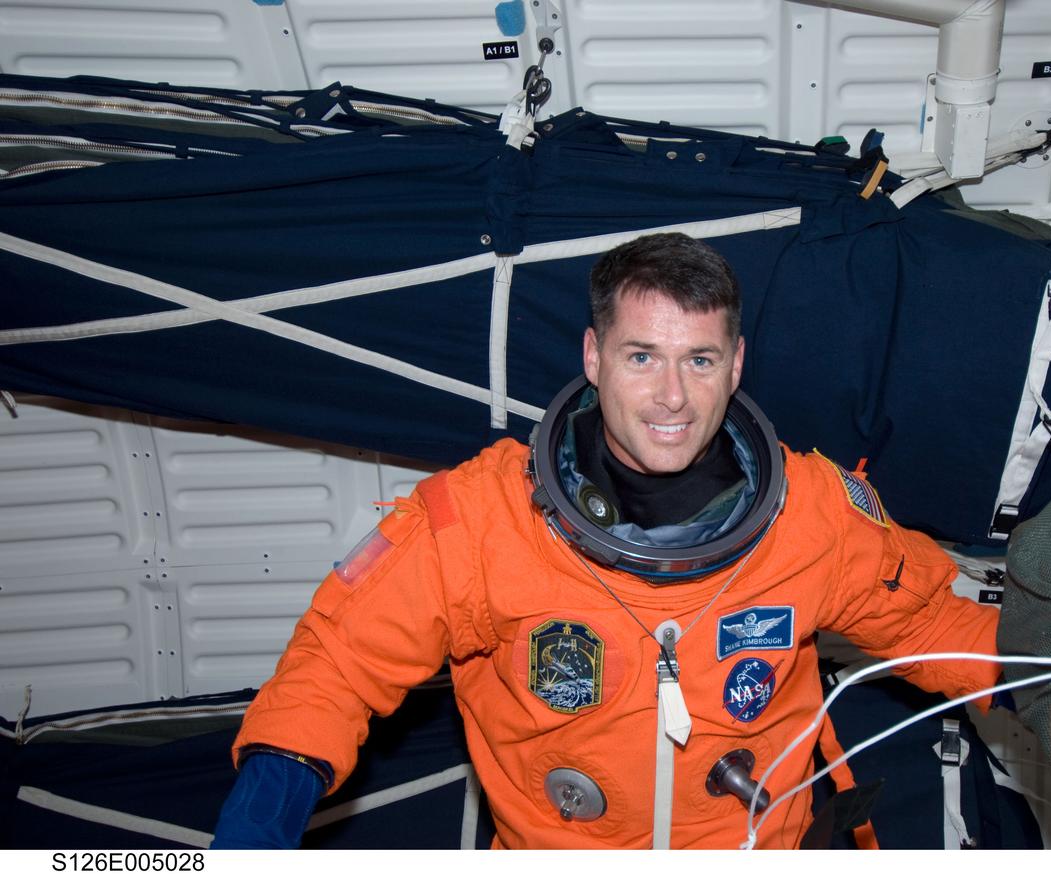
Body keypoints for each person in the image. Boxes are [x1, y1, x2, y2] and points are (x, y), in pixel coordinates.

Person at [211, 233, 1000, 849]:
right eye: (640, 357)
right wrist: (260, 819)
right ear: (594, 358)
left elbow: (931, 624)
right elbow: (339, 665)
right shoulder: (480, 522)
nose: (671, 397)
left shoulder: (815, 515)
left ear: (735, 366)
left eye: (699, 359)